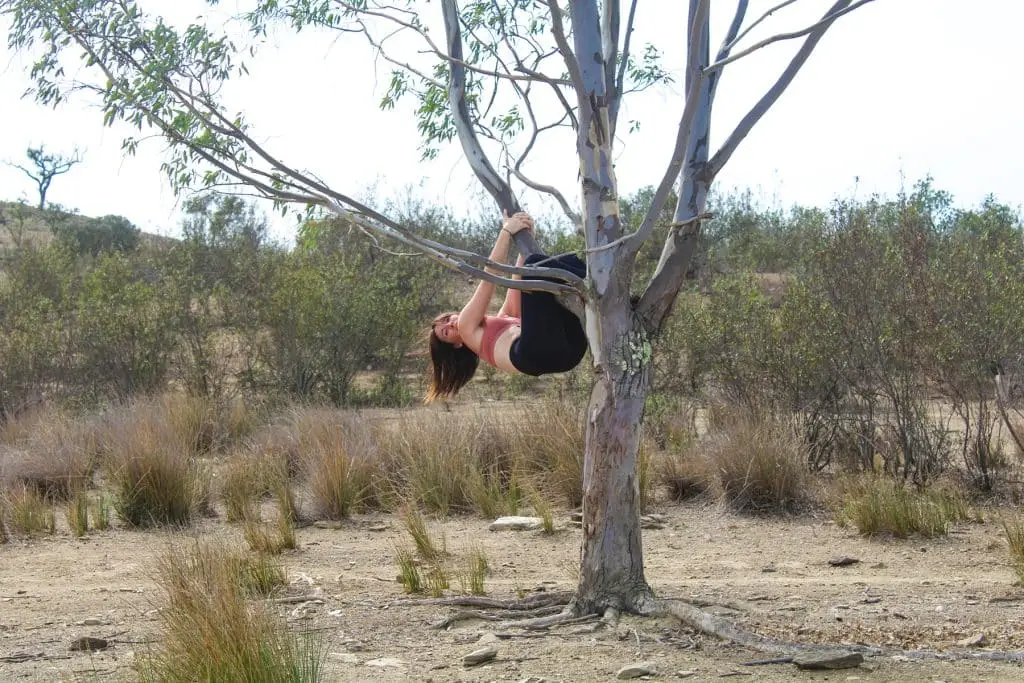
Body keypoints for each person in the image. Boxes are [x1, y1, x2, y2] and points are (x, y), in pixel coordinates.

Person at [425, 211, 587, 402]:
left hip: (569, 354)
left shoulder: (503, 320)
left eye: (446, 319)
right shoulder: (466, 328)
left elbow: (518, 282)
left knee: (552, 264)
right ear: (457, 344)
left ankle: (593, 281)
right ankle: (593, 281)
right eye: (446, 332)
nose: (450, 324)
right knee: (538, 266)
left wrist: (525, 239)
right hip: (533, 353)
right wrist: (506, 231)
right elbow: (489, 276)